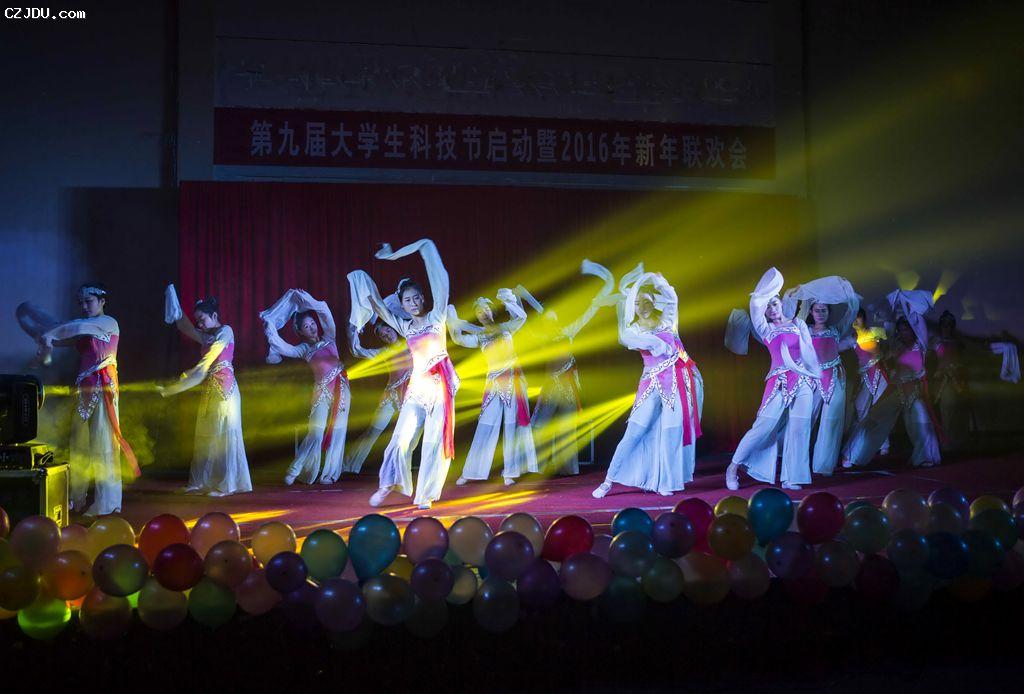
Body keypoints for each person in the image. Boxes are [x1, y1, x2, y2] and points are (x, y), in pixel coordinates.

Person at [347, 239, 459, 510]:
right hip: (417, 389)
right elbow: (378, 306)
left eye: (416, 297)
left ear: (423, 297)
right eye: (407, 300)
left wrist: (397, 254)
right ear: (403, 305)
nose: (413, 303)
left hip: (439, 389)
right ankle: (387, 485)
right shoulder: (404, 326)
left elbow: (438, 272)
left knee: (432, 442)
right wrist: (362, 281)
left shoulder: (437, 317)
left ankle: (425, 495)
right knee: (400, 439)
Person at [19, 284, 138, 516]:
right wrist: (43, 336)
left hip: (103, 388)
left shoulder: (108, 323)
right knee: (79, 446)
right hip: (85, 390)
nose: (84, 306)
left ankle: (108, 503)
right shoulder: (84, 328)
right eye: (81, 302)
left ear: (102, 301)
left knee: (103, 446)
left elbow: (75, 327)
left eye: (89, 301)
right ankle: (76, 497)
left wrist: (51, 334)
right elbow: (64, 332)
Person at [593, 268, 703, 498]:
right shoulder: (632, 330)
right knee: (634, 432)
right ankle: (608, 481)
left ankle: (666, 482)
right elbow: (632, 340)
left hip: (677, 381)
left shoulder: (668, 320)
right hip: (651, 383)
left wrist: (658, 281)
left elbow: (672, 299)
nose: (642, 306)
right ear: (632, 306)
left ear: (654, 302)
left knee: (672, 432)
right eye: (637, 303)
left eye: (647, 301)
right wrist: (658, 344)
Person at [725, 268, 821, 491]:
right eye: (767, 306)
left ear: (781, 304)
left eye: (774, 303)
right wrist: (764, 292)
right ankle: (732, 468)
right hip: (778, 382)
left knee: (799, 429)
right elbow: (755, 306)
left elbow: (809, 352)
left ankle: (792, 477)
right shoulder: (765, 329)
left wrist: (813, 375)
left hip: (803, 381)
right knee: (763, 427)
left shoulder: (798, 324)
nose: (772, 309)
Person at [517, 260, 616, 475]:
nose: (551, 319)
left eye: (554, 316)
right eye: (547, 317)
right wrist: (520, 300)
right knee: (539, 426)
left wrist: (596, 304)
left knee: (567, 427)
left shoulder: (569, 331)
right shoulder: (542, 337)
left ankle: (568, 468)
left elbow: (588, 315)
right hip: (551, 387)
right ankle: (536, 466)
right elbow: (524, 324)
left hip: (568, 387)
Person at [160, 285, 252, 496]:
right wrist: (173, 300)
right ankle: (198, 481)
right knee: (204, 435)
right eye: (198, 321)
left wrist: (195, 371)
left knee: (224, 435)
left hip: (226, 391)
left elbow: (212, 355)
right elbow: (185, 326)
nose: (199, 324)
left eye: (202, 319)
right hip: (210, 389)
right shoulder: (206, 336)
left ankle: (227, 484)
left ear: (214, 316)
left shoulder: (226, 331)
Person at [448, 289, 538, 486]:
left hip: (512, 381)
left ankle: (510, 472)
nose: (483, 313)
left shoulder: (507, 328)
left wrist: (507, 300)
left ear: (492, 311)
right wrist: (451, 318)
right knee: (485, 425)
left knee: (511, 427)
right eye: (479, 311)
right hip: (493, 383)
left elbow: (522, 317)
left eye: (486, 309)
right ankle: (471, 471)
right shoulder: (479, 336)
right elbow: (458, 339)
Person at [260, 288, 349, 485]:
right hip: (321, 391)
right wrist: (270, 328)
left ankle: (329, 474)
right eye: (306, 327)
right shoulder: (303, 350)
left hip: (342, 388)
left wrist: (309, 300)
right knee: (315, 432)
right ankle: (295, 469)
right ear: (300, 332)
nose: (312, 328)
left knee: (338, 431)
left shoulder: (329, 337)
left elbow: (325, 312)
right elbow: (282, 347)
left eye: (312, 324)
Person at [842, 313, 942, 468]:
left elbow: (921, 326)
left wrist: (909, 309)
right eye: (901, 330)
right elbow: (884, 346)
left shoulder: (921, 345)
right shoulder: (896, 346)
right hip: (896, 388)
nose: (904, 333)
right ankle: (853, 455)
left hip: (914, 389)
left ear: (913, 330)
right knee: (874, 418)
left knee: (921, 422)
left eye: (907, 330)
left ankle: (925, 457)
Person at [782, 276, 859, 475]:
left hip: (834, 377)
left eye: (824, 310)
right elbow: (798, 317)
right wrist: (802, 295)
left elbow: (852, 311)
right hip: (810, 379)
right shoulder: (805, 329)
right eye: (817, 310)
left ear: (829, 312)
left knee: (831, 422)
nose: (821, 313)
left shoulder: (836, 330)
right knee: (803, 421)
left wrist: (848, 291)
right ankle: (795, 465)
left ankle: (823, 466)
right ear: (812, 311)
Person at [343, 316, 414, 474]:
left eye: (388, 330)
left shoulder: (412, 343)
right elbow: (358, 350)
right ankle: (349, 466)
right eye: (383, 335)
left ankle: (400, 470)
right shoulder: (385, 352)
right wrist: (352, 331)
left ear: (394, 327)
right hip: (390, 397)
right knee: (373, 431)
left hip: (410, 397)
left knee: (405, 436)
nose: (387, 334)